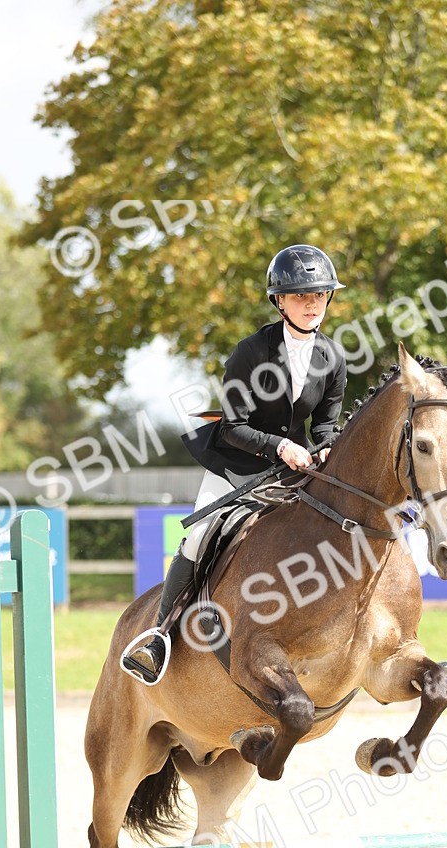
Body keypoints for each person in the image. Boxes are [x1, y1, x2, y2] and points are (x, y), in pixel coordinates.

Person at [120, 243, 348, 685]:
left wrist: (323, 448)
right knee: (199, 536)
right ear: (279, 301)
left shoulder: (332, 358)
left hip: (293, 466)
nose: (311, 304)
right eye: (301, 296)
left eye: (319, 295)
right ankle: (159, 636)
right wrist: (281, 446)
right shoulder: (251, 351)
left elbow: (325, 426)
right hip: (237, 460)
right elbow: (233, 427)